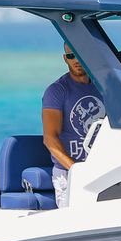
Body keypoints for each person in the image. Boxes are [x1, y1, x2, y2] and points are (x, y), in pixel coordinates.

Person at [41, 47, 106, 207]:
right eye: (71, 56)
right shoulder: (57, 91)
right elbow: (50, 139)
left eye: (79, 54)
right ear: (65, 58)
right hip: (68, 173)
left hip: (102, 169)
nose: (76, 60)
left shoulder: (103, 87)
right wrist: (76, 170)